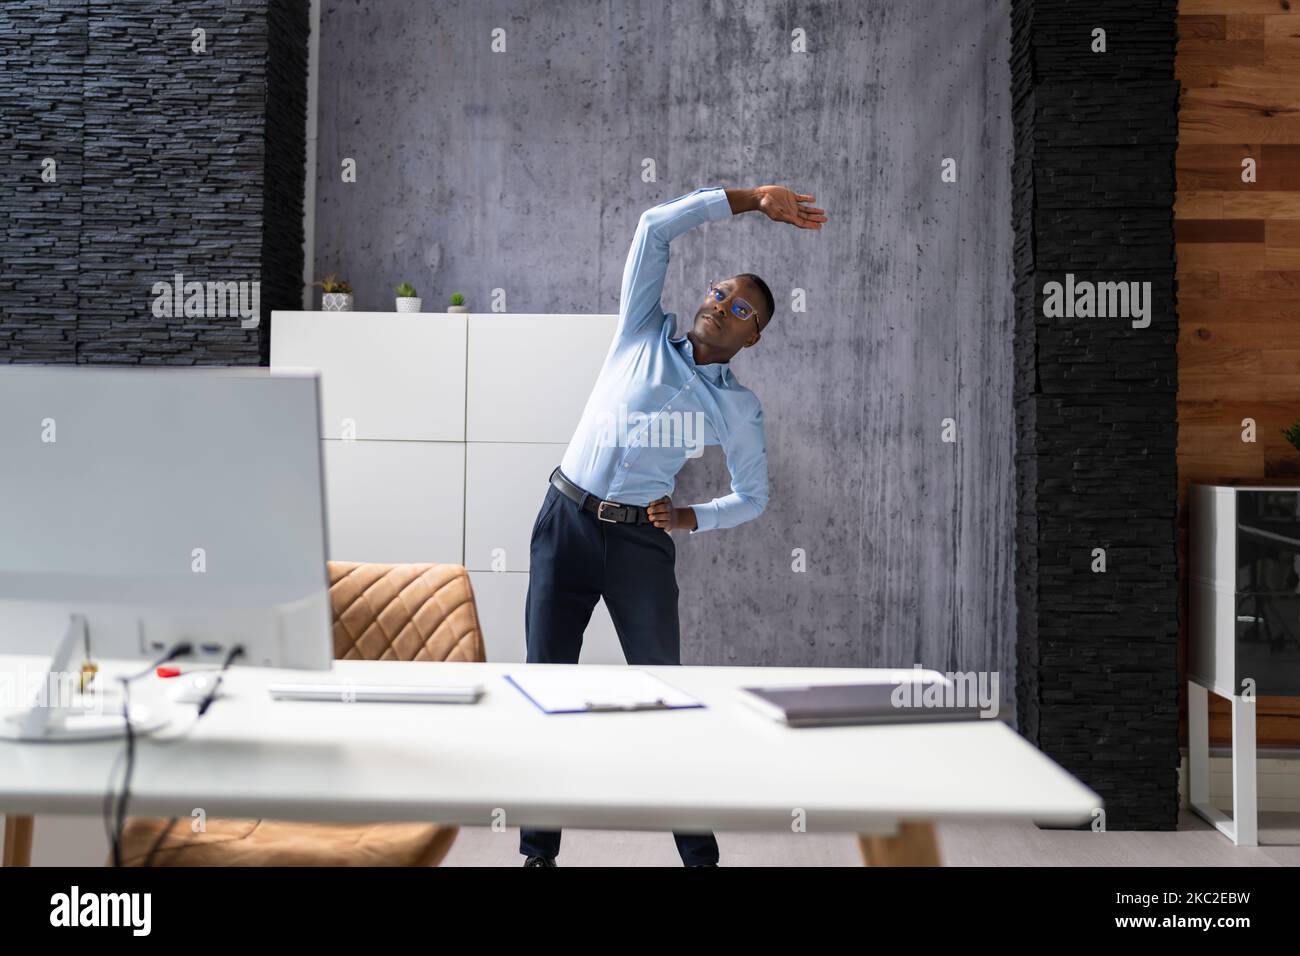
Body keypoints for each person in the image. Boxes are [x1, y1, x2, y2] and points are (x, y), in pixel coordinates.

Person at [520, 184, 828, 867]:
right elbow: (654, 226)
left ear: (755, 335)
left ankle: (699, 859)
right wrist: (752, 200)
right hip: (564, 522)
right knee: (546, 690)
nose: (722, 305)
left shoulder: (738, 410)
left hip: (638, 548)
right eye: (719, 291)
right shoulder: (639, 330)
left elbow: (753, 496)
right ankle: (537, 855)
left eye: (741, 307)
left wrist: (692, 516)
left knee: (666, 699)